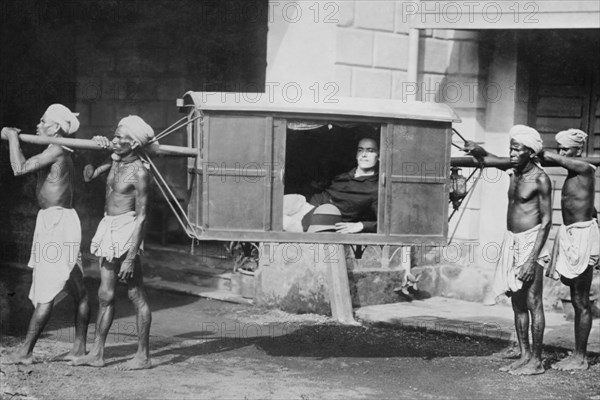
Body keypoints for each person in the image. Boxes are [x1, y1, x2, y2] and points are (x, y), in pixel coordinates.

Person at [1, 104, 89, 364]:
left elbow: (19, 168)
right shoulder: (57, 149)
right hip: (53, 221)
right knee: (78, 289)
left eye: (43, 122)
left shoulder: (58, 149)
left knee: (47, 290)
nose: (37, 126)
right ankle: (79, 348)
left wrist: (12, 136)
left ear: (57, 128)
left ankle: (26, 351)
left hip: (58, 224)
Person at [464, 125, 552, 375]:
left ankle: (537, 361)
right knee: (517, 301)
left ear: (531, 152)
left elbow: (546, 221)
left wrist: (530, 260)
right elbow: (489, 159)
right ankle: (525, 355)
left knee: (534, 302)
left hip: (531, 243)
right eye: (511, 149)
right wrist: (478, 149)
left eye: (517, 149)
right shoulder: (513, 169)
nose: (512, 153)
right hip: (511, 240)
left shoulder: (541, 179)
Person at [72, 115, 154, 370]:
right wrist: (94, 153)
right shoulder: (115, 160)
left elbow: (141, 217)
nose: (114, 139)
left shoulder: (140, 172)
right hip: (108, 226)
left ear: (133, 143)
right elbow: (88, 175)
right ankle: (97, 353)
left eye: (119, 137)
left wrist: (130, 256)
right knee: (105, 294)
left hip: (127, 230)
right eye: (114, 135)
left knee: (135, 294)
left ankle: (143, 356)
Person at [541, 129, 598, 371]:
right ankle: (577, 352)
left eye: (566, 148)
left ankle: (581, 357)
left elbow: (556, 159)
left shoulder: (585, 169)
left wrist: (543, 153)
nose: (562, 152)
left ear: (578, 151)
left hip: (582, 236)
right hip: (569, 234)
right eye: (560, 148)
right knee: (574, 296)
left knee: (581, 300)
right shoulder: (572, 173)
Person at [283, 137, 379, 234]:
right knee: (273, 205)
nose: (364, 154)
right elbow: (322, 188)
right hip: (307, 206)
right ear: (356, 155)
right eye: (360, 150)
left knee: (275, 222)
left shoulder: (375, 188)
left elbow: (388, 225)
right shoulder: (343, 174)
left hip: (321, 220)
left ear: (379, 156)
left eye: (370, 151)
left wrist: (361, 225)